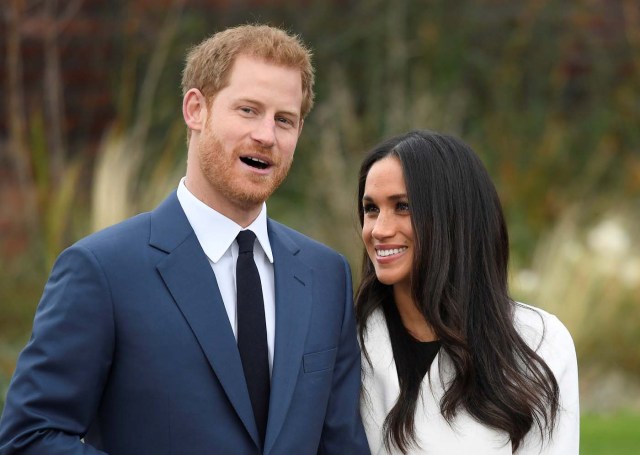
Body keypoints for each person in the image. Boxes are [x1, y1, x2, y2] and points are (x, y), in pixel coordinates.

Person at [0, 24, 369, 455]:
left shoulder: (327, 275)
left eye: (283, 120)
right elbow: (30, 438)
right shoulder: (102, 270)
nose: (267, 135)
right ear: (196, 109)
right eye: (248, 110)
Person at [356, 130, 579, 454]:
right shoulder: (348, 342)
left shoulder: (540, 343)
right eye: (371, 209)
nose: (379, 230)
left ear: (454, 216)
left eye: (402, 206)